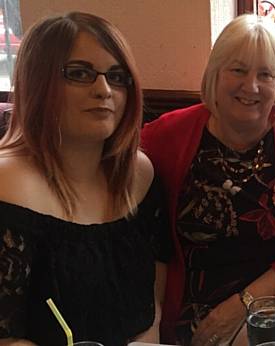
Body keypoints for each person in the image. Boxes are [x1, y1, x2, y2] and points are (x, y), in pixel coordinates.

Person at [140, 14, 275, 346]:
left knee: (262, 335)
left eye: (266, 74)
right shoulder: (166, 136)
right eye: (238, 70)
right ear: (215, 74)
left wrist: (244, 303)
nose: (251, 86)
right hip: (195, 304)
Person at [0, 12, 170, 345]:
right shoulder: (8, 185)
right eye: (79, 73)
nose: (104, 89)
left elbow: (152, 305)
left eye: (117, 76)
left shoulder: (140, 174)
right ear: (39, 81)